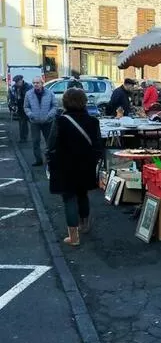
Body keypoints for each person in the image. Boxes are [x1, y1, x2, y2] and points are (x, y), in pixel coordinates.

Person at [46, 88, 102, 246]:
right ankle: (84, 225)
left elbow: (51, 145)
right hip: (86, 165)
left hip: (65, 166)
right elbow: (98, 146)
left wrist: (50, 163)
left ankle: (74, 237)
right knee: (82, 194)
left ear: (65, 102)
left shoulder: (60, 121)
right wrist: (93, 161)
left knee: (69, 198)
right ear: (84, 101)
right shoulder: (93, 121)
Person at [24, 77, 57, 166]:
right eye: (34, 83)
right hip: (34, 122)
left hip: (48, 121)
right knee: (35, 141)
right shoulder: (29, 94)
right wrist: (31, 115)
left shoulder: (49, 93)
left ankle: (50, 160)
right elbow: (26, 107)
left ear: (42, 83)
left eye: (38, 83)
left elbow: (54, 106)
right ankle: (38, 160)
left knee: (49, 142)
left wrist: (49, 115)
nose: (36, 84)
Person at [9, 75, 32, 142]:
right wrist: (12, 105)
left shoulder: (28, 87)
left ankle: (36, 137)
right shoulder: (14, 88)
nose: (16, 83)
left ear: (21, 80)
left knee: (33, 123)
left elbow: (30, 98)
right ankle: (23, 138)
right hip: (20, 107)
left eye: (18, 82)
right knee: (22, 123)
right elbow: (12, 97)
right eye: (16, 82)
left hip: (29, 107)